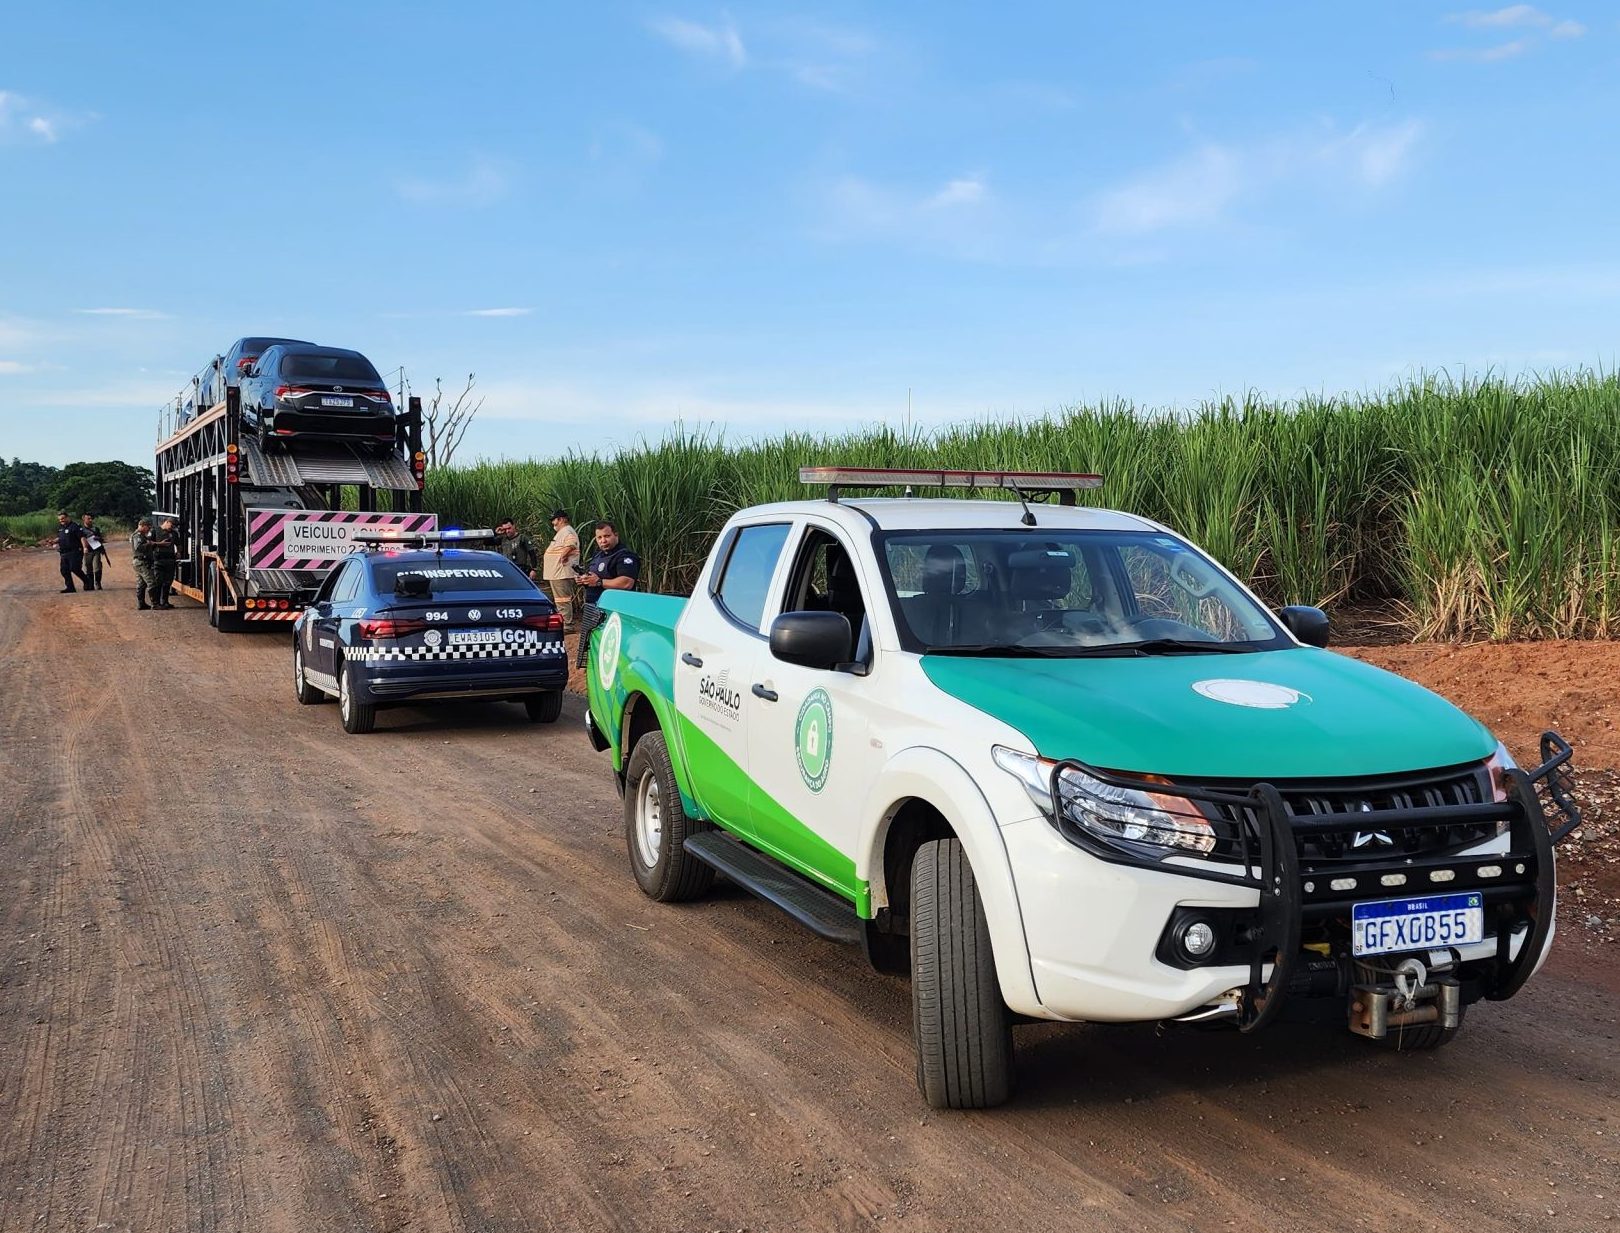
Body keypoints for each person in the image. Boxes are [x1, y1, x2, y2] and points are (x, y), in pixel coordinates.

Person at [578, 519, 640, 606]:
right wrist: (584, 580)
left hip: (616, 607)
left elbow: (626, 583)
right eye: (599, 537)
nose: (603, 541)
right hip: (593, 607)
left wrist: (599, 582)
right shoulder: (597, 555)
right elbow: (593, 578)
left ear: (616, 535)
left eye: (607, 536)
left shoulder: (625, 556)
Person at [541, 508, 581, 632]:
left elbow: (571, 544)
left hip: (561, 572)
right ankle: (563, 622)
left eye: (555, 520)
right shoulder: (562, 532)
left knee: (562, 599)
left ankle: (567, 625)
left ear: (562, 519)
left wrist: (563, 556)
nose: (553, 522)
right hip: (556, 573)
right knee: (560, 600)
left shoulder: (567, 531)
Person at [495, 517, 541, 581]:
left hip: (520, 569)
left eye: (509, 528)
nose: (507, 531)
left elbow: (532, 554)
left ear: (514, 526)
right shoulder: (503, 539)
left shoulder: (522, 538)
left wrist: (533, 569)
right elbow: (487, 542)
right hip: (506, 569)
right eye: (505, 529)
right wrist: (495, 532)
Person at [149, 516, 180, 609]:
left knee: (168, 582)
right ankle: (156, 603)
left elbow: (178, 544)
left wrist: (178, 552)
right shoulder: (155, 531)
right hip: (158, 560)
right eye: (171, 525)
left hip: (170, 560)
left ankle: (165, 602)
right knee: (158, 582)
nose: (172, 527)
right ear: (166, 522)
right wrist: (160, 544)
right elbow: (148, 543)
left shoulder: (174, 533)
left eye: (174, 526)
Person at [54, 511, 90, 593]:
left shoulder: (75, 526)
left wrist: (85, 548)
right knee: (64, 570)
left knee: (75, 568)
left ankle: (86, 581)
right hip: (64, 553)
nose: (61, 521)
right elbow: (60, 538)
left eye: (63, 518)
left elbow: (82, 538)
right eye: (59, 519)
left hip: (75, 551)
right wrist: (53, 541)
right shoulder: (61, 528)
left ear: (67, 517)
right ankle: (70, 587)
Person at [130, 518, 156, 610]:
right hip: (141, 562)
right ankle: (155, 603)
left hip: (140, 562)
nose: (148, 529)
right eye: (148, 527)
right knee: (151, 581)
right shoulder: (138, 535)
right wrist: (149, 544)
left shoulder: (141, 535)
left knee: (141, 583)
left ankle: (141, 604)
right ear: (143, 525)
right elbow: (138, 548)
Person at [80, 512, 109, 591]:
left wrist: (98, 538)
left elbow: (102, 539)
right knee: (88, 568)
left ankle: (97, 583)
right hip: (87, 551)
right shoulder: (81, 530)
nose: (90, 520)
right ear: (84, 519)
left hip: (96, 550)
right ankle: (90, 584)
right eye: (88, 519)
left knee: (97, 567)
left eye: (91, 518)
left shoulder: (96, 529)